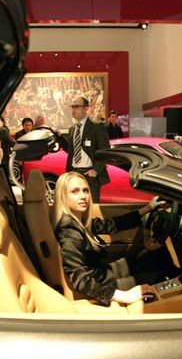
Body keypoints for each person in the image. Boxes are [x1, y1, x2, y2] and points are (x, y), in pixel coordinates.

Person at [53, 171, 164, 306]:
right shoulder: (69, 231)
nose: (83, 196)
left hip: (102, 273)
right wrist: (122, 295)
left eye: (85, 190)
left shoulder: (79, 221)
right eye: (74, 192)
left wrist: (147, 209)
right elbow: (80, 279)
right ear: (62, 196)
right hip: (99, 284)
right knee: (158, 277)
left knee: (154, 256)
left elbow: (111, 225)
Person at [64, 96, 110, 202]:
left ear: (86, 108)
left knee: (92, 209)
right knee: (76, 207)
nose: (73, 109)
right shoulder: (72, 129)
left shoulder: (97, 127)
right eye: (72, 107)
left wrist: (96, 170)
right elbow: (72, 151)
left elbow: (105, 151)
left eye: (77, 107)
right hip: (75, 174)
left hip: (90, 175)